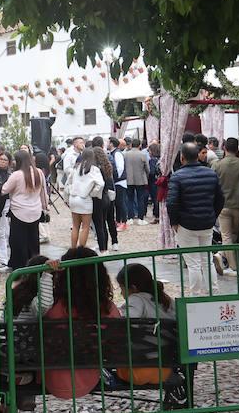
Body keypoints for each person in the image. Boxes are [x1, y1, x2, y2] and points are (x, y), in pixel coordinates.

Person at [43, 247, 121, 399]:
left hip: (52, 378)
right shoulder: (107, 308)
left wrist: (46, 274)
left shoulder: (52, 307)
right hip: (88, 378)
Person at [166, 143, 225, 295]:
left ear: (182, 157)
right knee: (207, 261)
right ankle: (215, 292)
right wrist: (213, 215)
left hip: (186, 225)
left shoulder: (177, 176)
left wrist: (174, 222)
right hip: (206, 223)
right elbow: (220, 199)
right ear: (198, 155)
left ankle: (195, 295)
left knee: (193, 263)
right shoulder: (210, 173)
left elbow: (172, 202)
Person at [112, 263, 176, 385]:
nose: (121, 294)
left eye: (122, 289)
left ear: (133, 288)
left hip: (140, 369)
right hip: (167, 364)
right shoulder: (167, 301)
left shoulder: (136, 300)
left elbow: (126, 323)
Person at [2, 150, 48, 269]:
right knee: (33, 241)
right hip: (36, 211)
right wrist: (45, 206)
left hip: (19, 211)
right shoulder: (39, 172)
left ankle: (19, 266)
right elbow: (43, 192)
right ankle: (34, 265)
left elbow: (4, 190)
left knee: (18, 241)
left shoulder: (16, 175)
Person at [213, 137, 239, 274]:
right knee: (234, 234)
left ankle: (228, 262)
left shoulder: (217, 165)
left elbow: (213, 185)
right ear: (238, 149)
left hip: (223, 205)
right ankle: (228, 260)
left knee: (227, 236)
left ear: (224, 148)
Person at [65, 147, 104, 248]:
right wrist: (93, 193)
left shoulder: (76, 167)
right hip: (85, 199)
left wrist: (67, 196)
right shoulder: (94, 169)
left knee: (75, 226)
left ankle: (73, 249)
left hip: (73, 198)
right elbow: (101, 184)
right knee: (85, 227)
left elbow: (68, 183)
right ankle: (81, 251)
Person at [125, 139, 151, 224]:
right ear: (139, 145)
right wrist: (146, 176)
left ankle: (130, 218)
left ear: (131, 145)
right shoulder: (143, 155)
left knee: (130, 199)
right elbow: (147, 169)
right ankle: (141, 218)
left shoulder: (125, 155)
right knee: (140, 199)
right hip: (140, 179)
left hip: (129, 179)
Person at [108, 138, 129, 230]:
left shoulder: (117, 153)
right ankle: (118, 221)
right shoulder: (113, 153)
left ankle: (124, 222)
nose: (107, 144)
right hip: (117, 181)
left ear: (111, 144)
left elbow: (120, 168)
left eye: (108, 142)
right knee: (117, 203)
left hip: (119, 182)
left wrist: (115, 178)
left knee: (121, 202)